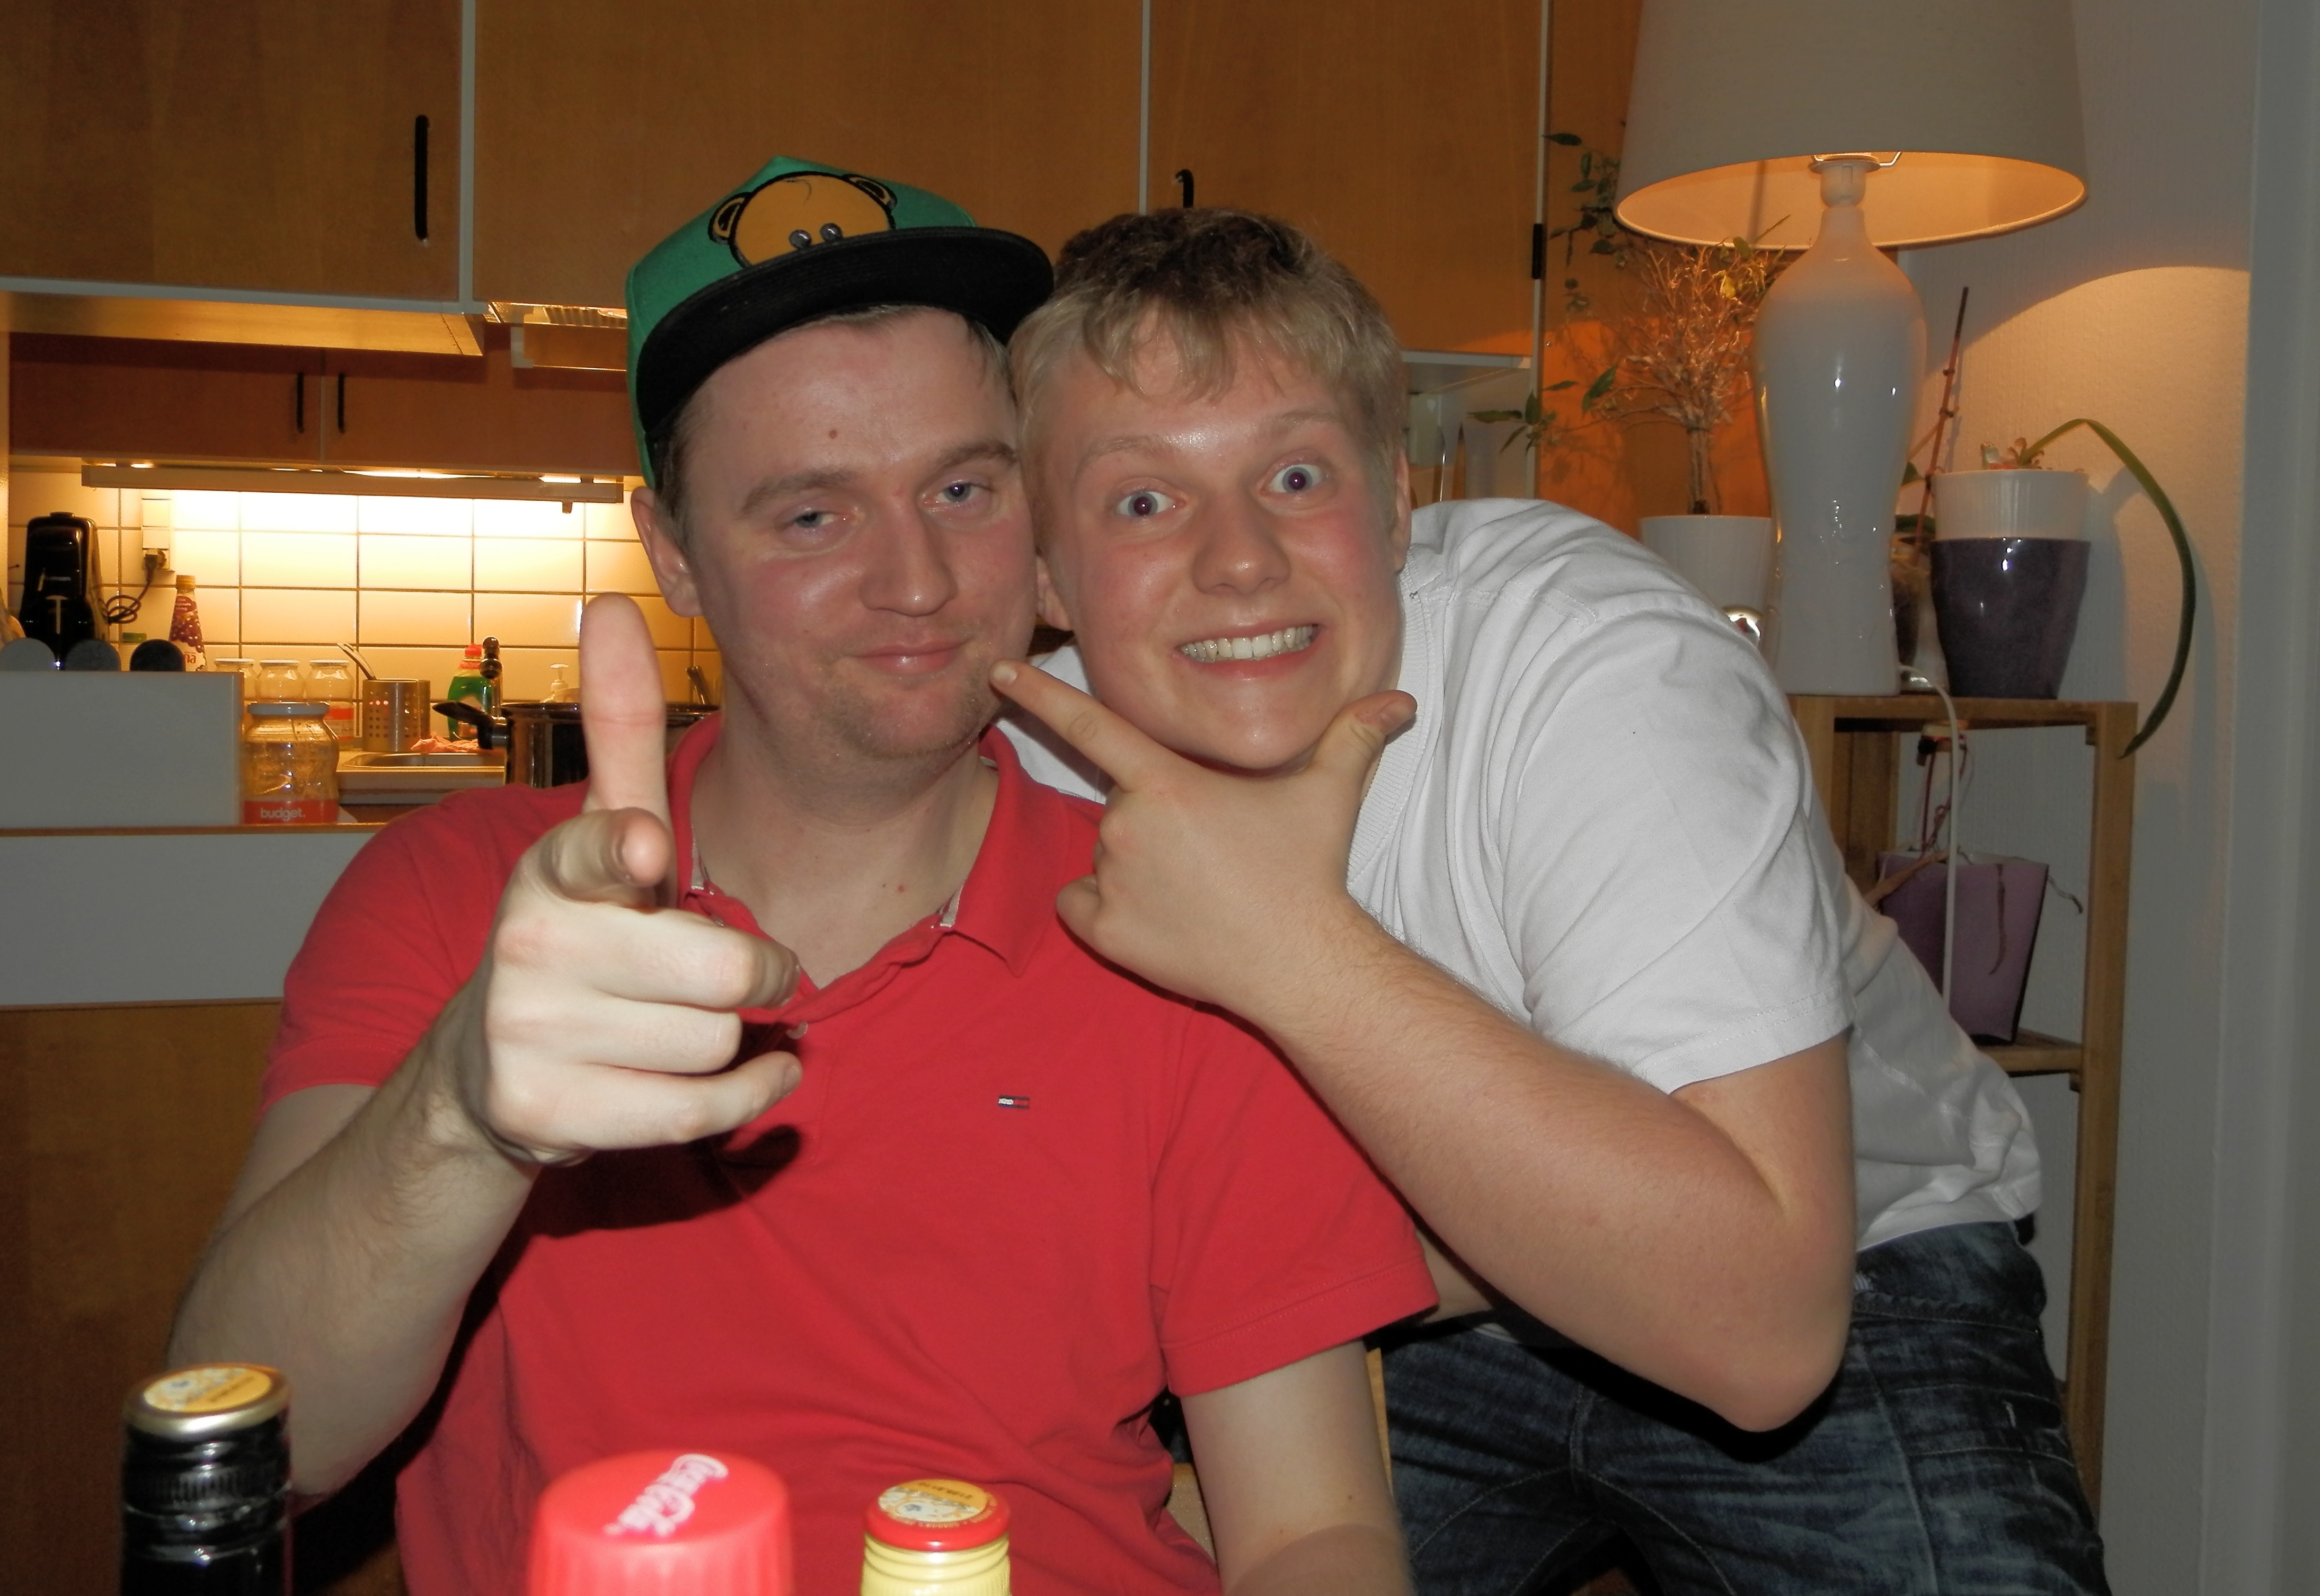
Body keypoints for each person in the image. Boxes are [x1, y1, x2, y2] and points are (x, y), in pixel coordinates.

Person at [169, 162, 1436, 1596]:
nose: (918, 581)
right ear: (675, 556)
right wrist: (463, 1115)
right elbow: (257, 1446)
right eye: (812, 516)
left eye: (961, 489)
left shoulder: (1189, 931)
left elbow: (1312, 1530)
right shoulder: (456, 895)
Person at [993, 207, 2109, 1594]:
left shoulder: (1602, 669)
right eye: (1143, 501)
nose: (1238, 560)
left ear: (1397, 501)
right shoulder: (1028, 771)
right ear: (1042, 573)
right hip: (1381, 1322)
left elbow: (1763, 1329)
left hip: (1853, 1271)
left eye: (1294, 475)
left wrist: (1288, 947)